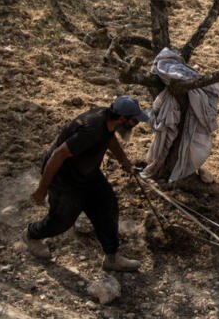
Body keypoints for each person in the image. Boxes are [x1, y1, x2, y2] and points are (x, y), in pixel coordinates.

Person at [24, 95, 149, 272]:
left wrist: (125, 163)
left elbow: (110, 138)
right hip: (64, 178)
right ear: (123, 119)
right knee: (62, 221)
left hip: (88, 173)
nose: (136, 124)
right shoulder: (91, 130)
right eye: (134, 121)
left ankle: (112, 258)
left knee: (107, 205)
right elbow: (58, 155)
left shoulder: (108, 121)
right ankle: (32, 234)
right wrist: (41, 189)